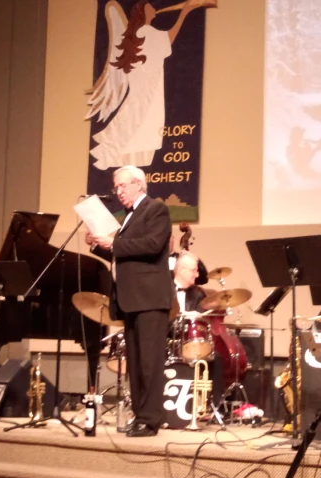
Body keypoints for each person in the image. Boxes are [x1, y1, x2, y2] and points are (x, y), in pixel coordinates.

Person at [86, 165, 173, 437]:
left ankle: (151, 420)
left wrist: (112, 245)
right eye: (117, 187)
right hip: (132, 298)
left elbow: (153, 245)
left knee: (150, 362)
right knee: (135, 363)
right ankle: (140, 416)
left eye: (122, 186)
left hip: (150, 298)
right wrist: (99, 245)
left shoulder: (156, 208)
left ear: (138, 184)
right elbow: (124, 256)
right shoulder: (126, 218)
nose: (118, 191)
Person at [87, 0, 206, 170]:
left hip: (144, 92)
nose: (154, 9)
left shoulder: (136, 35)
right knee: (141, 128)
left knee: (137, 129)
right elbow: (168, 40)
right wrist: (184, 13)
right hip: (147, 94)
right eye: (150, 7)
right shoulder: (145, 32)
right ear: (142, 13)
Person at [172, 252, 223, 403]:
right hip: (168, 340)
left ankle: (214, 405)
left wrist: (196, 316)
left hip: (190, 340)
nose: (197, 274)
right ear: (181, 270)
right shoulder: (164, 290)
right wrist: (183, 315)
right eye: (194, 270)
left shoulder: (198, 294)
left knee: (217, 358)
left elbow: (202, 323)